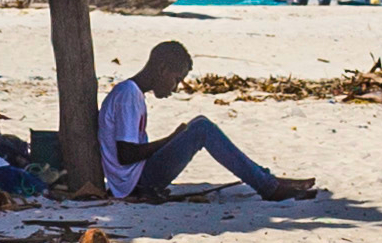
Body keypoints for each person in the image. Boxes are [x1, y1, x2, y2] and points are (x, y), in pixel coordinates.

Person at [95, 39, 316, 203]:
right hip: (133, 183)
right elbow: (126, 154)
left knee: (200, 124)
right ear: (162, 70)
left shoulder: (133, 93)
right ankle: (268, 187)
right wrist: (171, 139)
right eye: (176, 79)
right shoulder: (128, 95)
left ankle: (268, 180)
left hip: (135, 178)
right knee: (201, 128)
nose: (176, 87)